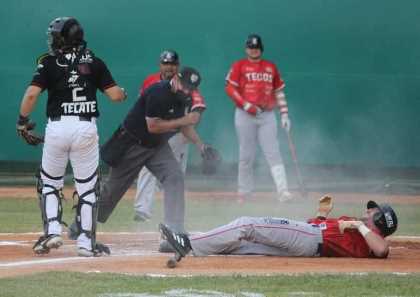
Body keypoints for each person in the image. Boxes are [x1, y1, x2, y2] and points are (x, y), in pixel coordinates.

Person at [16, 17, 126, 257]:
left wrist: (22, 122)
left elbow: (32, 94)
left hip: (58, 127)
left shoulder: (49, 63)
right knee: (88, 188)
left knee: (49, 182)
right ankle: (86, 243)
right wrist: (123, 93)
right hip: (85, 128)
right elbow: (116, 96)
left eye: (55, 36)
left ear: (63, 38)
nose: (52, 41)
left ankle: (53, 231)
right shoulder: (94, 62)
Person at [97, 66, 212, 251]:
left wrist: (201, 146)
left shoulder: (185, 97)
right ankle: (83, 225)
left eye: (190, 87)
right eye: (184, 84)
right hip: (132, 144)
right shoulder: (158, 92)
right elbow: (153, 126)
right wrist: (185, 120)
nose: (186, 89)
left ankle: (173, 233)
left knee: (174, 177)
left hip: (157, 146)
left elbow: (185, 126)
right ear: (175, 78)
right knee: (113, 191)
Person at [159, 195, 398, 261]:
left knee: (247, 224)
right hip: (309, 237)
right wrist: (322, 214)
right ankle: (183, 241)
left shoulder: (369, 239)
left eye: (373, 211)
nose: (367, 211)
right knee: (242, 245)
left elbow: (382, 251)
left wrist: (358, 225)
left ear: (380, 221)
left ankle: (187, 244)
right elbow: (316, 225)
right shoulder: (358, 229)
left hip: (311, 239)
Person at [134, 50, 206, 222]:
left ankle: (172, 213)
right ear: (160, 65)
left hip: (178, 134)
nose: (169, 67)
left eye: (173, 64)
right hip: (154, 131)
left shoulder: (186, 84)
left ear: (177, 66)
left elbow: (198, 106)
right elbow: (140, 105)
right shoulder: (150, 81)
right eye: (166, 64)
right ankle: (142, 211)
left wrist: (200, 144)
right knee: (147, 169)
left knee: (176, 174)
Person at [225, 34, 292, 203]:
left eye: (256, 47)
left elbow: (279, 92)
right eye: (251, 47)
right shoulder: (239, 65)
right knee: (246, 154)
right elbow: (230, 89)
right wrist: (246, 104)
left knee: (273, 152)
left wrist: (284, 114)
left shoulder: (270, 67)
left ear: (261, 48)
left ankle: (283, 191)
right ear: (246, 49)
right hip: (244, 114)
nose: (253, 50)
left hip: (267, 114)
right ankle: (244, 192)